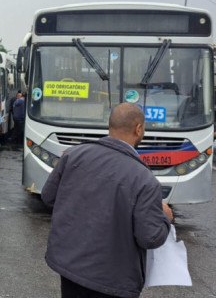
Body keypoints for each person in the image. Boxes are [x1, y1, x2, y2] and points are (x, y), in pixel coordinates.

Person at [42, 103, 173, 298]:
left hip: (70, 268)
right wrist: (164, 216)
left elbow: (48, 197)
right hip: (113, 280)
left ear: (110, 125)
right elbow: (150, 237)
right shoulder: (145, 179)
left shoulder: (73, 155)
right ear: (138, 129)